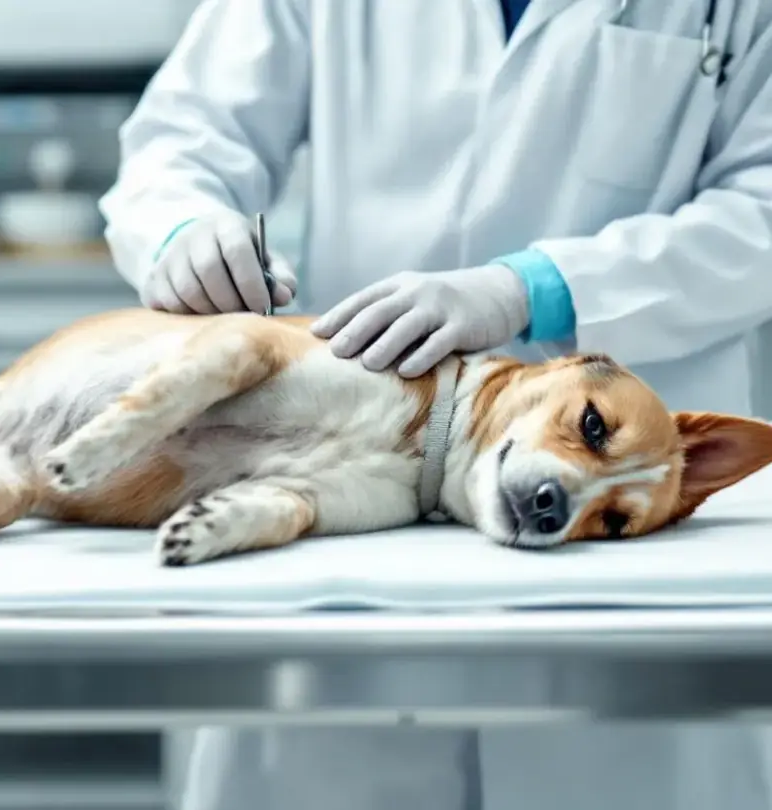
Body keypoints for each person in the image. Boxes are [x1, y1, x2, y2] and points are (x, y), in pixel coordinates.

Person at [99, 1, 772, 808]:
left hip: (622, 524)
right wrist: (183, 229)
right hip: (346, 466)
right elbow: (189, 131)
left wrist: (536, 289)